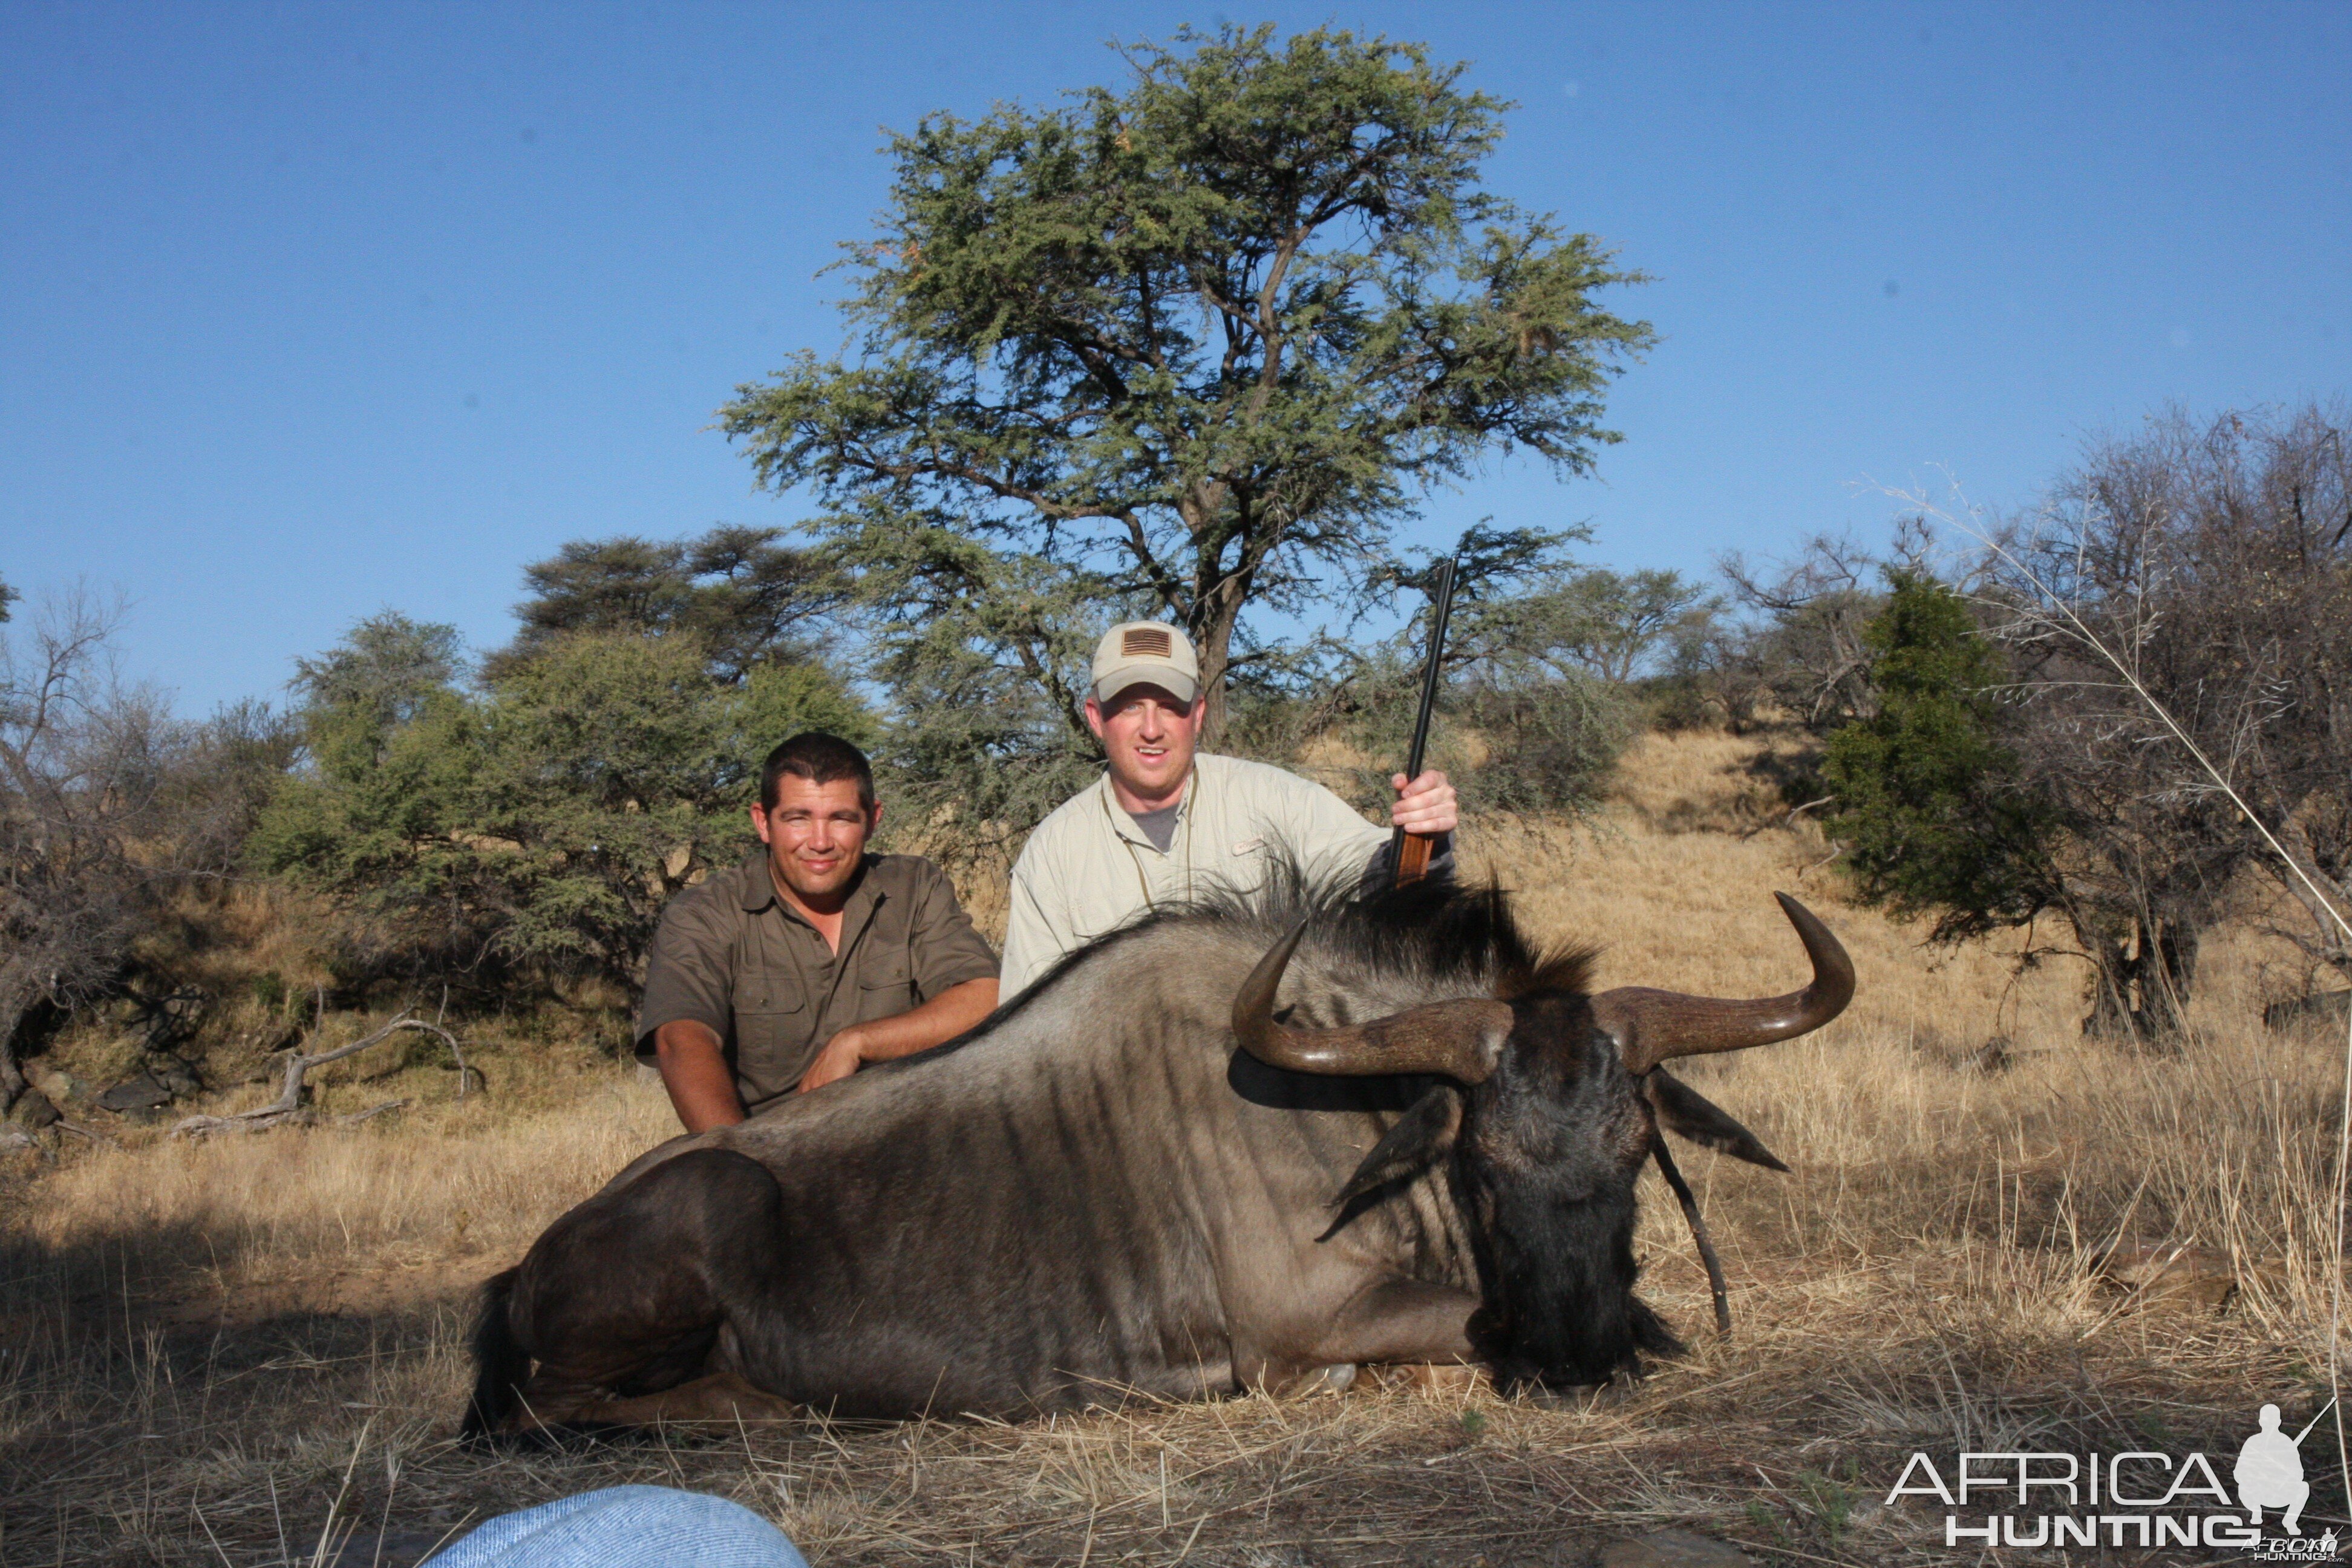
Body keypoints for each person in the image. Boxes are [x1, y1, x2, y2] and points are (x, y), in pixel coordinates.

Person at [999, 622, 1459, 996]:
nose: (1152, 729)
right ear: (1097, 718)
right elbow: (1031, 1029)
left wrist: (1424, 834)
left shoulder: (1272, 797)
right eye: (1130, 706)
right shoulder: (1053, 854)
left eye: (1170, 706)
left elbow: (1380, 875)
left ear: (1198, 714)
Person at [635, 732, 999, 1131]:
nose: (820, 842)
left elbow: (984, 994)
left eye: (841, 818)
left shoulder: (914, 887)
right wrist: (737, 1160)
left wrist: (858, 1042)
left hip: (906, 1136)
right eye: (798, 818)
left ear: (873, 820)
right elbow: (682, 1039)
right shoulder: (704, 914)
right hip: (773, 1145)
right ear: (763, 822)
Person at [2235, 1402, 2310, 1535]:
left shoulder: (2286, 1443)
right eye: (2266, 1420)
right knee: (2242, 1487)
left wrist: (2282, 1473)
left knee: (2304, 1487)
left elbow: (2299, 1474)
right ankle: (2256, 1512)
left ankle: (2290, 1521)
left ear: (2279, 1422)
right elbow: (2239, 1472)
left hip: (2281, 1493)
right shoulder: (2252, 1442)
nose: (2269, 1423)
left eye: (2272, 1420)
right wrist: (2256, 1475)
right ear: (2260, 1422)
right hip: (2258, 1493)